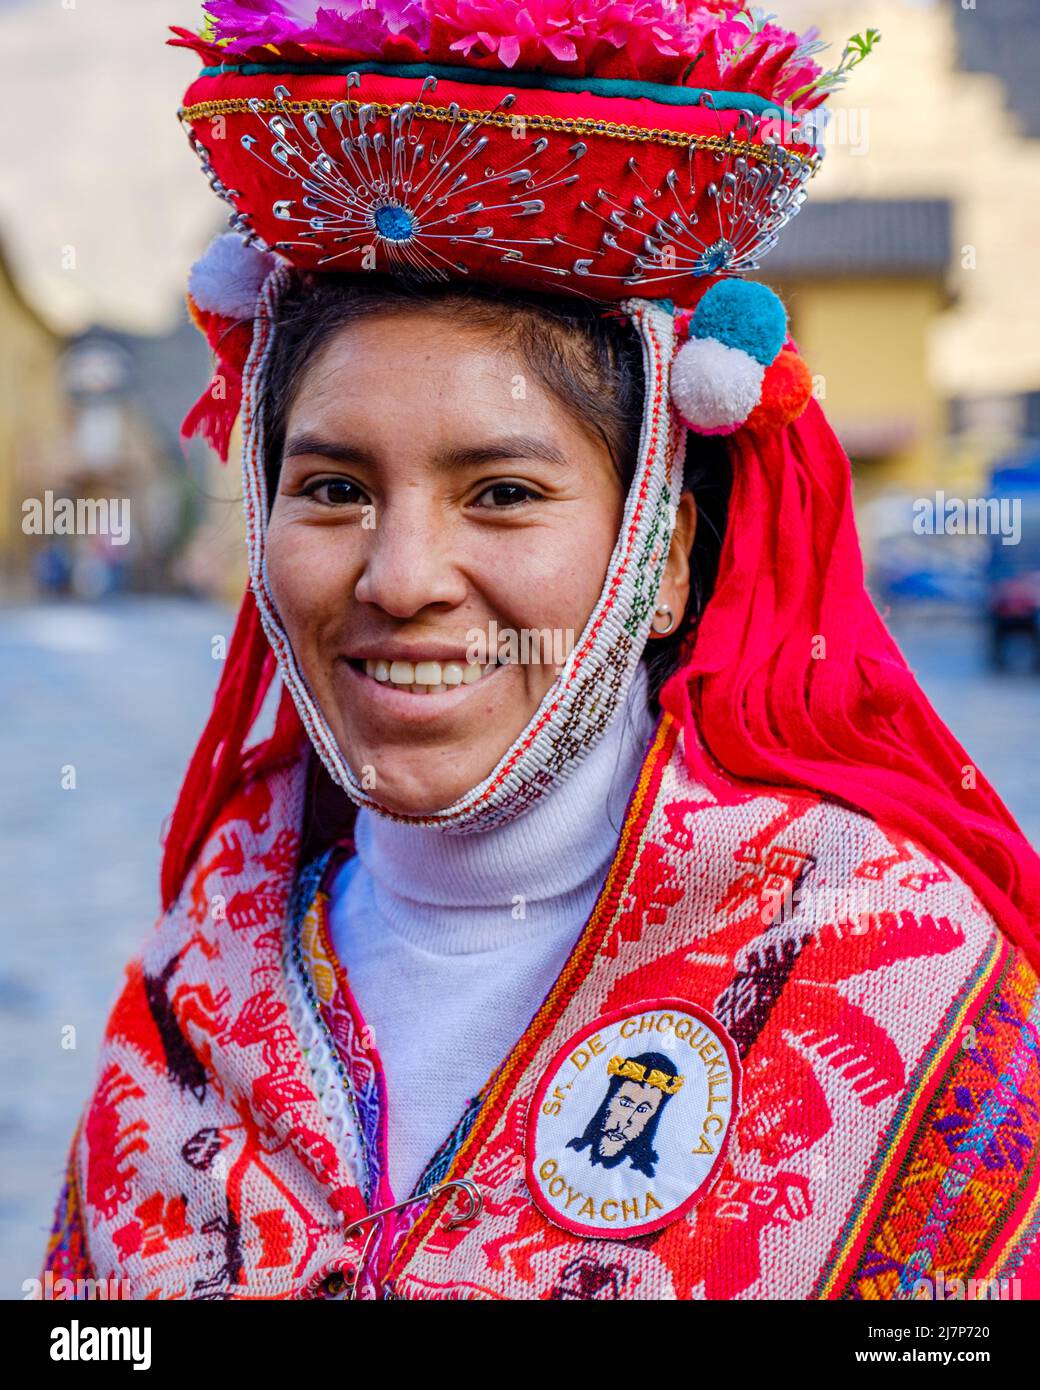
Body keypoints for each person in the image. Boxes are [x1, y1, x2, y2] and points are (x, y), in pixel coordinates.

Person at [43, 0, 1040, 1301]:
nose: (399, 578)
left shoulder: (891, 967)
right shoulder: (204, 962)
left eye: (502, 492)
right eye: (334, 488)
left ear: (664, 551)